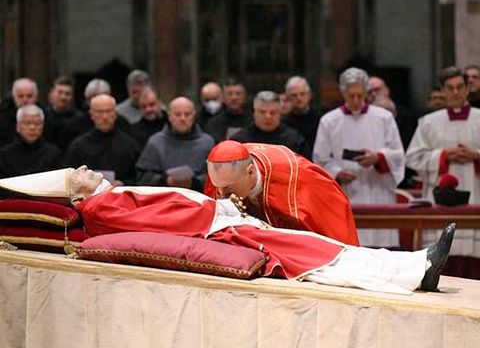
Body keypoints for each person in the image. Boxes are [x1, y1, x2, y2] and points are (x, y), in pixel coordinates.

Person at [38, 165, 451, 295]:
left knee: (314, 245)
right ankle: (416, 270)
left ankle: (415, 264)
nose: (87, 169)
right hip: (218, 232)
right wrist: (216, 214)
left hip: (220, 222)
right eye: (79, 174)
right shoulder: (101, 206)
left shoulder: (109, 194)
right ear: (75, 195)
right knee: (311, 255)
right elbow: (155, 221)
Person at [313, 67, 405, 248]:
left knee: (382, 249)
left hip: (378, 190)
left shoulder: (383, 117)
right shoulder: (329, 121)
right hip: (347, 192)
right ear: (342, 92)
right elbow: (320, 158)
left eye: (359, 95)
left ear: (366, 92)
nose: (355, 101)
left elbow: (397, 153)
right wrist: (337, 172)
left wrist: (378, 158)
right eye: (351, 96)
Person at [204, 140, 359, 246]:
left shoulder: (299, 177)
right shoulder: (222, 173)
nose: (221, 194)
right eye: (217, 186)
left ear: (250, 172)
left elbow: (333, 221)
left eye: (229, 187)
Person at [406, 66, 480, 277]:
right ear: (443, 91)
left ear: (467, 89)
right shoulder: (429, 122)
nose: (455, 92)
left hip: (476, 196)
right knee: (442, 264)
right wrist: (443, 156)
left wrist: (476, 155)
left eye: (459, 87)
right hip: (440, 199)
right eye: (450, 88)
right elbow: (412, 158)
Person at [136, 97, 215, 191]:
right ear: (169, 116)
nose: (183, 118)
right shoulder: (155, 142)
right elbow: (143, 178)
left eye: (187, 114)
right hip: (162, 200)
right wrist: (165, 180)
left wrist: (194, 182)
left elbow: (216, 178)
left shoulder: (207, 143)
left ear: (194, 116)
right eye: (178, 114)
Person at [64, 94, 140, 185]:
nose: (105, 117)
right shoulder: (78, 147)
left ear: (115, 114)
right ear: (91, 114)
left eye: (109, 111)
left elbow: (139, 178)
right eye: (99, 112)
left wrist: (124, 184)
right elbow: (68, 179)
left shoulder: (130, 145)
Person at [230, 91, 310, 157]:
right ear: (254, 112)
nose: (268, 116)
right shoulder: (239, 141)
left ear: (280, 113)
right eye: (262, 112)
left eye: (273, 112)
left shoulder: (295, 141)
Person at [0, 105, 62, 178]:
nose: (32, 127)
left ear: (43, 126)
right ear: (18, 126)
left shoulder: (53, 153)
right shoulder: (4, 155)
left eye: (37, 123)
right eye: (27, 123)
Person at [43, 76, 84, 151]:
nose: (63, 97)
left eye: (67, 94)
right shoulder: (43, 116)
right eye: (60, 92)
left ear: (72, 96)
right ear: (52, 93)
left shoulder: (80, 119)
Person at [205, 78, 252, 142]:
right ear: (223, 97)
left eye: (238, 94)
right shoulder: (214, 123)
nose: (234, 98)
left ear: (245, 97)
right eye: (229, 94)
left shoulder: (254, 121)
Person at [282, 76, 322, 152]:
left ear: (309, 95)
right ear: (287, 97)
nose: (299, 98)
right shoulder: (283, 123)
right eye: (294, 95)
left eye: (302, 94)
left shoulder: (320, 119)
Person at [0, 78, 40, 146]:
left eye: (29, 96)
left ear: (36, 97)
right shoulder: (3, 118)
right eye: (20, 96)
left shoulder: (45, 117)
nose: (25, 100)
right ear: (14, 98)